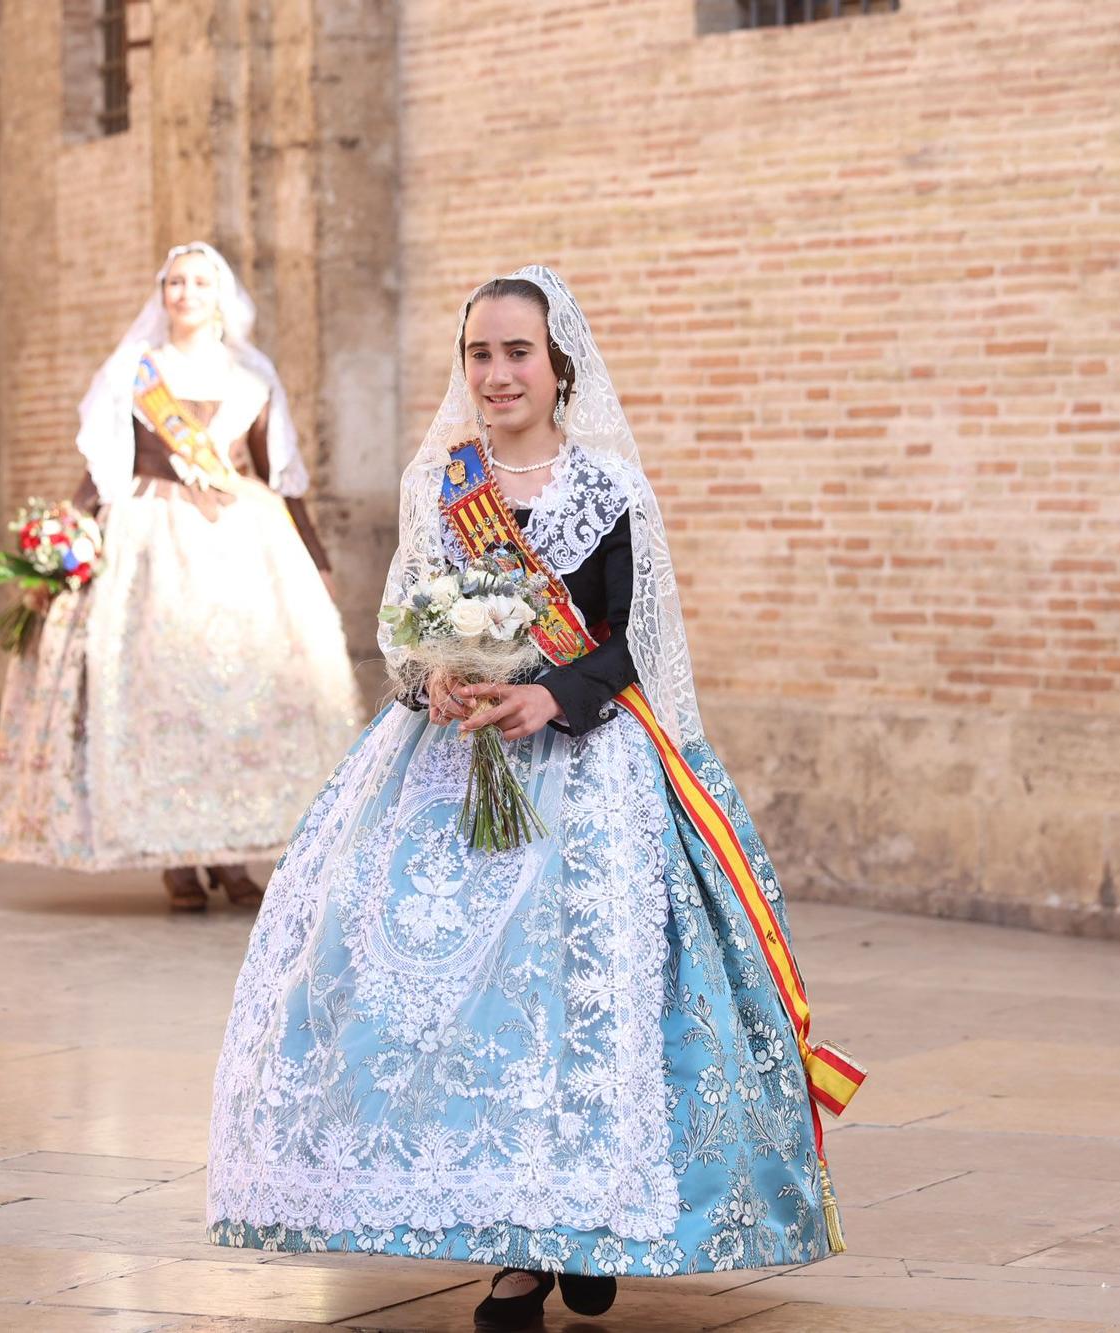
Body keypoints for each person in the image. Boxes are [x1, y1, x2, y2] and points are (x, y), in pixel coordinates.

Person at [205, 267, 861, 1330]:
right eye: (478, 354)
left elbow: (626, 648)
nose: (497, 373)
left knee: (575, 998)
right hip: (447, 759)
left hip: (588, 766)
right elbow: (404, 628)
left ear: (560, 367)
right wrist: (436, 676)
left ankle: (580, 1222)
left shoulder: (608, 491)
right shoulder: (442, 482)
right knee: (455, 1013)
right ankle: (517, 1249)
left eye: (517, 353)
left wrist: (547, 697)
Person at [0, 242, 360, 909]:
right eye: (175, 282)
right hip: (150, 539)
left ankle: (232, 856)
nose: (186, 292)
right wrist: (64, 539)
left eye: (199, 282)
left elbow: (280, 474)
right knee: (167, 701)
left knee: (240, 702)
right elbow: (101, 470)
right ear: (162, 293)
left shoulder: (251, 376)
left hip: (243, 544)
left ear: (223, 295)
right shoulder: (136, 372)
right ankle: (179, 860)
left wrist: (318, 558)